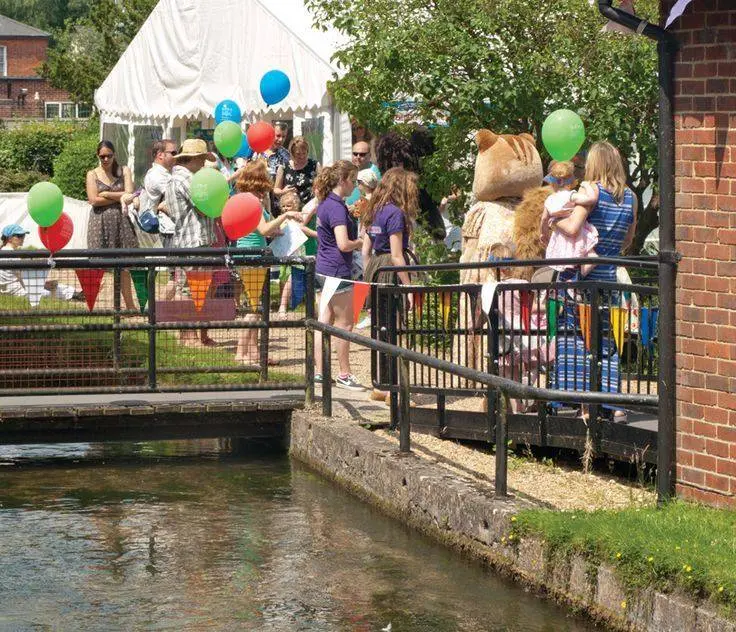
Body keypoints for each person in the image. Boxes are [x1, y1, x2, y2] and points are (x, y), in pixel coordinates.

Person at [549, 141, 637, 422]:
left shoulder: (592, 191)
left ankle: (574, 401)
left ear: (594, 164)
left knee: (573, 333)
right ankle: (615, 404)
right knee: (605, 340)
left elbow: (573, 228)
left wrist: (551, 223)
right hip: (608, 275)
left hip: (580, 277)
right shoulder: (631, 198)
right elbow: (628, 240)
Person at [233, 160, 303, 364]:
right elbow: (263, 229)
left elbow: (261, 228)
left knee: (256, 306)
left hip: (250, 253)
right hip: (252, 256)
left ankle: (255, 353)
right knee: (253, 309)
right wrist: (286, 215)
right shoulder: (252, 202)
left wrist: (278, 230)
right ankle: (241, 353)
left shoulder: (244, 199)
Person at [361, 167, 419, 402]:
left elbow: (365, 251)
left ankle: (381, 384)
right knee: (392, 330)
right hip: (389, 270)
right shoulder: (395, 213)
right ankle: (392, 389)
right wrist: (409, 287)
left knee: (380, 328)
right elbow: (397, 255)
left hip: (375, 267)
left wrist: (370, 275)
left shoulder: (374, 210)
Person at [312, 160, 365, 391]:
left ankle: (319, 373)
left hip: (323, 268)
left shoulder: (325, 203)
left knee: (323, 321)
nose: (354, 186)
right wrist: (360, 241)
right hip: (338, 270)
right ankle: (344, 373)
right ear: (342, 180)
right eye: (352, 181)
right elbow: (343, 244)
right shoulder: (336, 207)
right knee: (345, 324)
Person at [166, 138, 218, 345]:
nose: (205, 164)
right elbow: (203, 205)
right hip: (193, 240)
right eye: (203, 160)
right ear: (195, 159)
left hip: (192, 239)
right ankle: (188, 337)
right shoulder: (186, 179)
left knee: (199, 287)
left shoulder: (178, 178)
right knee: (188, 288)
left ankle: (199, 335)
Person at [86, 140, 136, 310]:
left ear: (114, 154)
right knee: (98, 266)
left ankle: (130, 305)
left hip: (121, 222)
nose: (105, 159)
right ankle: (92, 305)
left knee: (125, 266)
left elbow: (130, 194)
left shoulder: (124, 170)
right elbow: (93, 200)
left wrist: (106, 193)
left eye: (109, 155)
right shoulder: (92, 174)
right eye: (102, 156)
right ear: (97, 156)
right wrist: (119, 196)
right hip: (99, 224)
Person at [540, 161, 599, 276]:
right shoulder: (570, 195)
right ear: (571, 181)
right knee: (584, 248)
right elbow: (591, 199)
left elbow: (544, 219)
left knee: (565, 254)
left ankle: (571, 277)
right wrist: (587, 185)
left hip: (560, 234)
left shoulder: (549, 200)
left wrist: (543, 234)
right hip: (576, 230)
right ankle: (585, 267)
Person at [0, 225, 82, 301]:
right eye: (19, 236)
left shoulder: (4, 252)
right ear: (10, 238)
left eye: (23, 235)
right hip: (18, 292)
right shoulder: (12, 255)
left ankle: (76, 295)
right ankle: (77, 296)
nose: (23, 238)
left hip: (12, 290)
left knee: (53, 287)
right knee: (52, 290)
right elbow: (24, 280)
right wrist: (43, 285)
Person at [275, 190, 318, 318]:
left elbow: (302, 227)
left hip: (302, 251)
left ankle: (312, 309)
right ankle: (283, 306)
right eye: (283, 206)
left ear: (295, 205)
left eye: (288, 205)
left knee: (308, 279)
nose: (285, 208)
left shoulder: (299, 216)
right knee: (287, 279)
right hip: (287, 253)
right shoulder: (281, 219)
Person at [140, 139, 178, 247]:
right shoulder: (156, 175)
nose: (176, 156)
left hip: (173, 229)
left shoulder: (167, 172)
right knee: (175, 263)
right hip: (169, 231)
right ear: (160, 155)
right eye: (173, 153)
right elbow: (178, 194)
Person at [274, 136, 321, 206]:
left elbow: (323, 185)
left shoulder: (314, 165)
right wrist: (283, 192)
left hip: (311, 208)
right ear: (292, 153)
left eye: (304, 153)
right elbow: (276, 189)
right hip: (291, 209)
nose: (301, 156)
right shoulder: (283, 167)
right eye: (298, 154)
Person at [264, 122, 291, 214]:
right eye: (278, 136)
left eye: (284, 136)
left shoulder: (286, 155)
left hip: (277, 206)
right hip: (259, 202)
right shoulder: (258, 152)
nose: (281, 139)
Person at [345, 141, 381, 206]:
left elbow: (378, 197)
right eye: (355, 154)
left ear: (369, 155)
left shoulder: (375, 173)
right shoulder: (349, 170)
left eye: (362, 154)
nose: (358, 157)